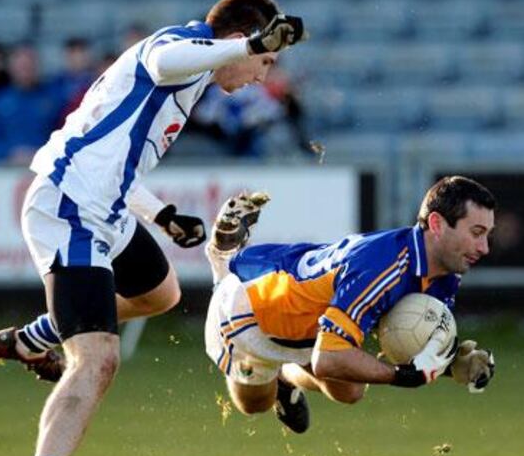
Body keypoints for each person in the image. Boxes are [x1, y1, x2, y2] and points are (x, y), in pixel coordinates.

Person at [0, 0, 306, 456]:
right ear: (235, 40)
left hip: (105, 205)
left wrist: (162, 216)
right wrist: (244, 46)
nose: (260, 73)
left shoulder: (198, 72)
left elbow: (119, 163)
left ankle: (36, 337)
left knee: (161, 293)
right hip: (71, 206)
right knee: (98, 358)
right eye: (263, 59)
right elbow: (159, 58)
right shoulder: (181, 46)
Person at [201, 176, 498, 434]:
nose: (485, 248)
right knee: (255, 404)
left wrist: (450, 363)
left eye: (487, 234)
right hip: (252, 312)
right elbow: (327, 361)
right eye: (476, 233)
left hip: (311, 323)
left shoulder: (445, 273)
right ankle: (224, 261)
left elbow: (401, 336)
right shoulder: (383, 268)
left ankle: (286, 374)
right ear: (437, 224)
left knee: (351, 390)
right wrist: (400, 377)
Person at [0, 43, 63, 163]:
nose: (25, 70)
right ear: (11, 68)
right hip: (7, 173)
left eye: (29, 65)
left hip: (47, 170)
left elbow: (66, 137)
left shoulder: (54, 99)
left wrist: (41, 153)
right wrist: (9, 153)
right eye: (21, 66)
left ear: (37, 67)